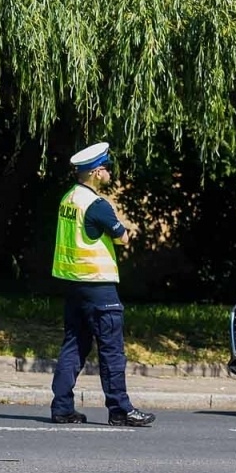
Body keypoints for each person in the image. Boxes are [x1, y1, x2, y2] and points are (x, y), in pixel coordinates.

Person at [49, 142, 155, 427]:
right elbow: (123, 237)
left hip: (73, 284)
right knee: (111, 349)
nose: (109, 172)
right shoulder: (97, 205)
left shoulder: (68, 199)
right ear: (96, 173)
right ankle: (120, 409)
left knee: (73, 345)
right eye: (106, 168)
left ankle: (61, 408)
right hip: (98, 285)